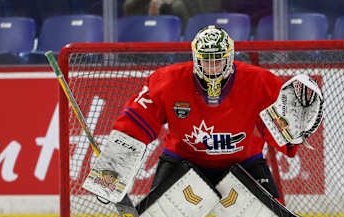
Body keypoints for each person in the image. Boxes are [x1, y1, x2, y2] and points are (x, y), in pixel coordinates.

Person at [113, 24, 299, 200]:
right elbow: (135, 121)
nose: (212, 67)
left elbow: (282, 131)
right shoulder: (168, 81)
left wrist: (295, 132)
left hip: (244, 161)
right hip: (183, 160)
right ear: (196, 58)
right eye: (206, 60)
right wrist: (113, 166)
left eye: (217, 60)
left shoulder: (260, 81)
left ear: (229, 57)